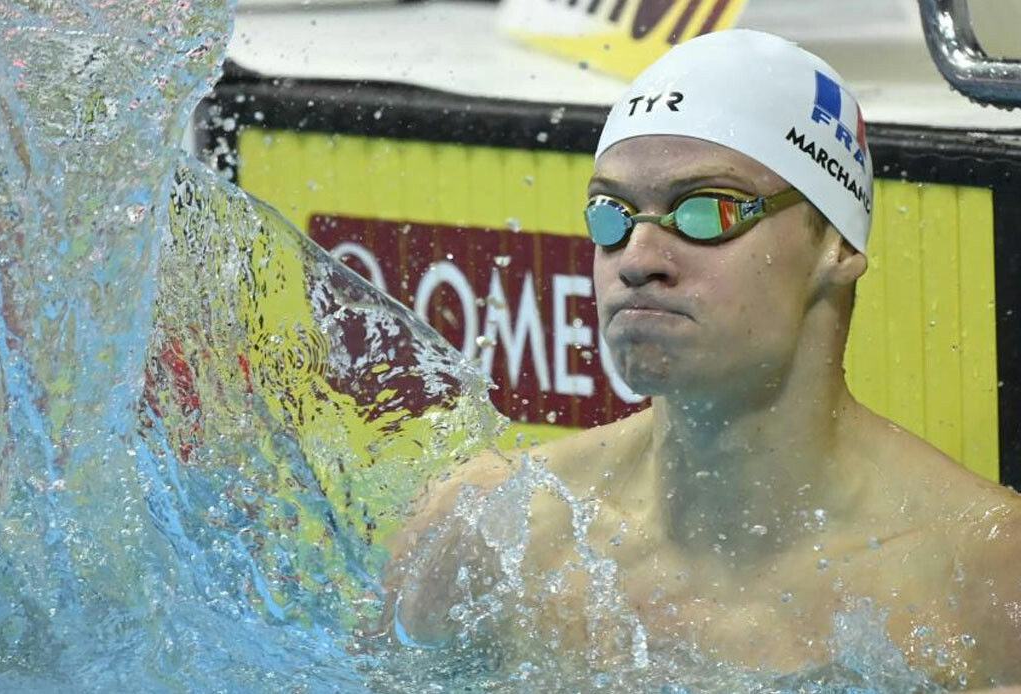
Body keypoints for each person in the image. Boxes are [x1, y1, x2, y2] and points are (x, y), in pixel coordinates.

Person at [382, 29, 1021, 690]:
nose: (637, 259)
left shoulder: (986, 582)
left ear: (835, 244)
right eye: (613, 213)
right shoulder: (488, 537)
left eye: (706, 211)